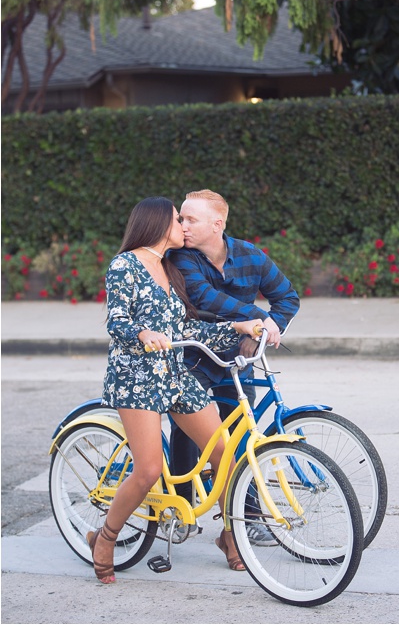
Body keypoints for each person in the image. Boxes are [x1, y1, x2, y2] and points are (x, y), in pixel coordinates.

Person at [90, 196, 264, 584]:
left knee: (224, 452)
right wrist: (141, 333)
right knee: (149, 469)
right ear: (155, 224)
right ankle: (104, 537)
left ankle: (231, 536)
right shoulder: (125, 266)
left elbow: (187, 331)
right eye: (176, 220)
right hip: (136, 377)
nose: (183, 227)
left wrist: (239, 326)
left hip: (174, 374)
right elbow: (116, 321)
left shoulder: (170, 269)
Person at [166, 189, 299, 545]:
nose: (182, 226)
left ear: (217, 223)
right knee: (189, 428)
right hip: (194, 354)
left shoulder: (250, 255)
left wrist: (265, 330)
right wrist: (259, 320)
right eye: (181, 218)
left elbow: (287, 297)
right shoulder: (182, 257)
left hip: (236, 359)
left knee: (242, 435)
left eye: (190, 219)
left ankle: (247, 517)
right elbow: (205, 298)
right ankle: (181, 507)